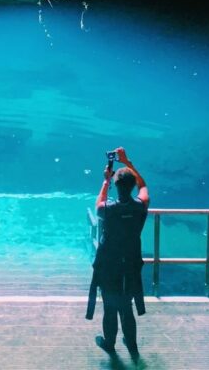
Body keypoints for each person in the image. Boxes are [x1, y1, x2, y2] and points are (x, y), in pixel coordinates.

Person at [86, 147, 150, 364]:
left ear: (116, 185)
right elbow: (143, 186)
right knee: (127, 305)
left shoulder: (107, 210)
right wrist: (128, 163)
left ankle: (110, 343)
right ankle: (131, 345)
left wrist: (106, 180)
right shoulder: (141, 206)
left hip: (109, 265)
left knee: (110, 306)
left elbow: (99, 203)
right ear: (131, 186)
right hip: (131, 264)